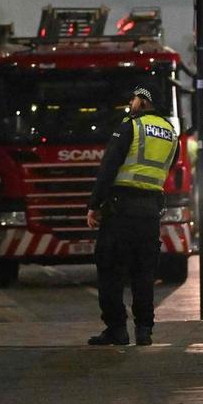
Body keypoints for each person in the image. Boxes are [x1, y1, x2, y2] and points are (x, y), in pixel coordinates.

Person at [85, 83, 177, 348]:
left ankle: (117, 329)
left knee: (110, 269)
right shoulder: (171, 133)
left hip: (121, 210)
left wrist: (94, 204)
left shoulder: (131, 126)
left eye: (134, 99)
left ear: (144, 101)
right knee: (144, 273)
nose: (131, 103)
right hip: (150, 212)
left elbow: (109, 166)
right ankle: (144, 330)